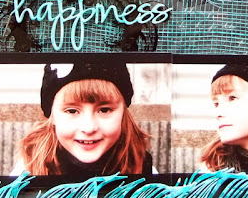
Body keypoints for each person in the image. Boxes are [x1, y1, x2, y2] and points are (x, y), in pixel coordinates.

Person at [14, 60, 152, 178]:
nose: (89, 128)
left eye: (104, 110)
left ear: (123, 114)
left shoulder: (142, 166)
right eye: (72, 111)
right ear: (52, 116)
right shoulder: (29, 168)